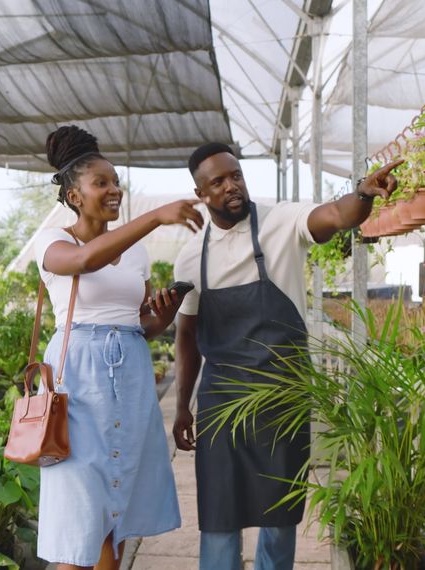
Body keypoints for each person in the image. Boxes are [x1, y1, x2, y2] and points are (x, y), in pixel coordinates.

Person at [171, 143, 399, 570]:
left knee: (279, 515)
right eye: (218, 182)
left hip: (283, 397)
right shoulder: (190, 255)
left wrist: (363, 195)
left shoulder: (281, 221)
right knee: (219, 515)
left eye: (235, 175)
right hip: (222, 403)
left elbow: (335, 215)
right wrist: (182, 406)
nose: (232, 186)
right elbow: (186, 336)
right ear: (201, 194)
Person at [32, 125, 204, 570]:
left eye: (116, 182)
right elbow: (84, 262)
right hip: (78, 377)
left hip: (129, 373)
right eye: (101, 183)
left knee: (119, 501)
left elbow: (140, 322)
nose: (114, 190)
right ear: (74, 196)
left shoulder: (134, 253)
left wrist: (161, 318)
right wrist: (156, 216)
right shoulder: (53, 242)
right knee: (81, 510)